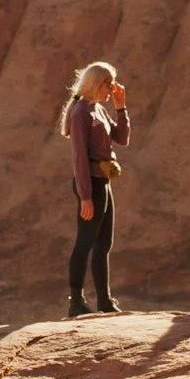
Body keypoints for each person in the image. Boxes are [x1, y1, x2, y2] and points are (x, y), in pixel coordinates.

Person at [60, 61, 130, 316]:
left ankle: (104, 300)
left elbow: (122, 138)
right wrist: (85, 196)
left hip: (102, 181)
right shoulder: (81, 112)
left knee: (104, 243)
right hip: (89, 183)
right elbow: (79, 157)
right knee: (85, 241)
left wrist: (121, 107)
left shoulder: (97, 109)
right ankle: (76, 301)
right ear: (96, 84)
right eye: (109, 84)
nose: (112, 89)